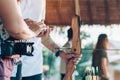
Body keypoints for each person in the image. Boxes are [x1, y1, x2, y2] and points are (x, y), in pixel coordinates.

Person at [10, 0, 81, 80]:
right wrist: (28, 30)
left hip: (34, 70)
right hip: (9, 70)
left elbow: (43, 38)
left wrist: (61, 53)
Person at [0, 0, 50, 80]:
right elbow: (18, 31)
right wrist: (31, 32)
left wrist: (39, 30)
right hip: (6, 67)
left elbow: (39, 28)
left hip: (34, 68)